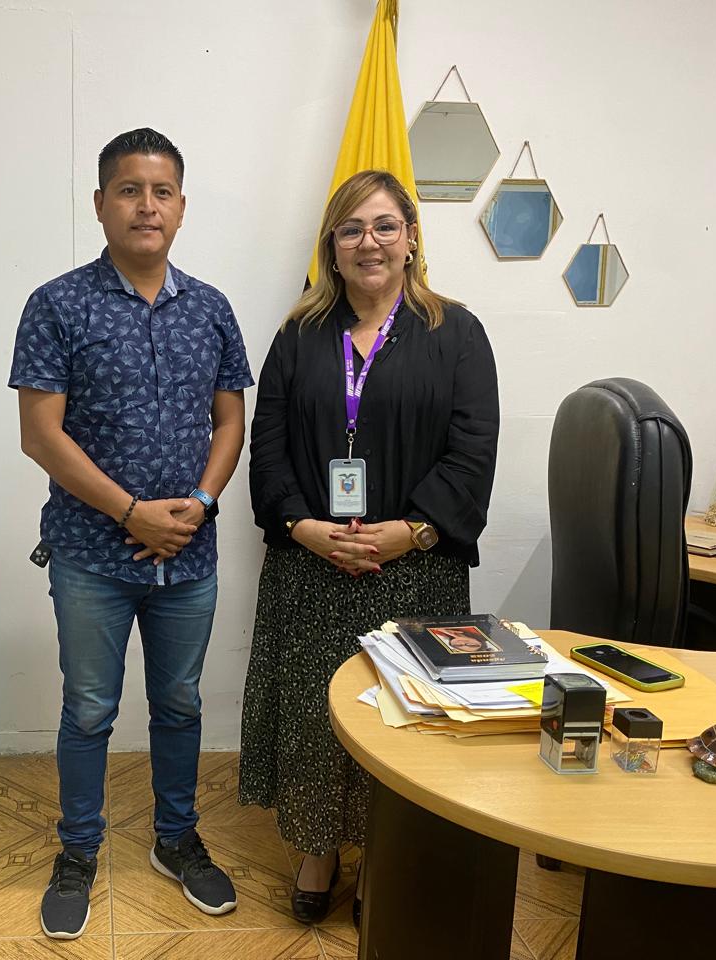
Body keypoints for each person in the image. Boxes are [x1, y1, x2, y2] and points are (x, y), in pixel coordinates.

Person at [10, 128, 254, 940]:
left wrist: (200, 504)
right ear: (100, 203)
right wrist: (131, 513)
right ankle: (78, 851)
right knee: (88, 709)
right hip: (90, 556)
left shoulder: (211, 309)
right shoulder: (57, 304)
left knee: (179, 703)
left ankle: (175, 839)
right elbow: (40, 435)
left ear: (181, 207)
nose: (146, 205)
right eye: (128, 189)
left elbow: (231, 419)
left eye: (161, 191)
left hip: (190, 554)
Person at [238, 169, 499, 924]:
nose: (369, 242)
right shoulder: (298, 335)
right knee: (316, 717)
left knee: (400, 722)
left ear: (411, 237)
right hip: (312, 567)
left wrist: (411, 529)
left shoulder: (458, 333)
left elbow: (473, 449)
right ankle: (317, 851)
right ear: (332, 246)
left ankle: (387, 855)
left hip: (416, 570)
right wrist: (303, 527)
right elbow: (268, 446)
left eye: (385, 226)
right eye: (351, 229)